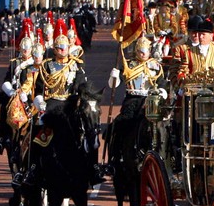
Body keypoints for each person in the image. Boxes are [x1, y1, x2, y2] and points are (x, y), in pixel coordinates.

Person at [30, 33, 101, 184]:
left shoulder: (76, 66)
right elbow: (38, 89)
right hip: (52, 105)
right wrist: (39, 101)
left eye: (65, 48)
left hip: (70, 106)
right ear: (54, 50)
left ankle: (93, 168)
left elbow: (82, 88)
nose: (62, 50)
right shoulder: (46, 66)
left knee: (90, 132)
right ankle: (33, 168)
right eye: (59, 48)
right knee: (37, 131)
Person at [107, 36, 166, 167]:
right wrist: (114, 76)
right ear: (136, 50)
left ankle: (165, 155)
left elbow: (162, 84)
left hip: (149, 102)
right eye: (140, 50)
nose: (143, 53)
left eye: (145, 50)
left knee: (162, 128)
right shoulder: (129, 65)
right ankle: (116, 157)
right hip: (132, 101)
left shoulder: (156, 66)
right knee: (120, 125)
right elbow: (113, 85)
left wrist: (162, 92)